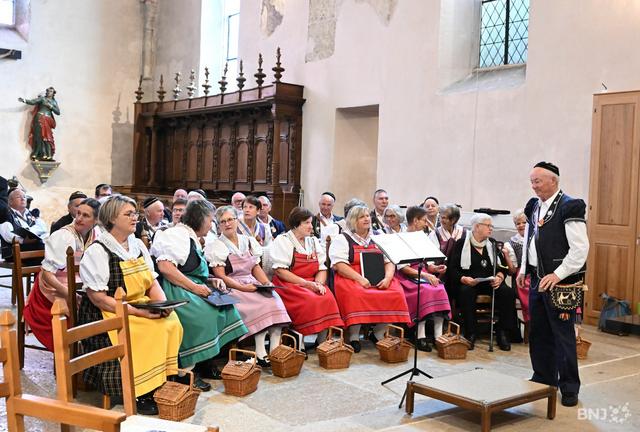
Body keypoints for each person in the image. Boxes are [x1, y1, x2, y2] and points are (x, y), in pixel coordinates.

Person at [78, 195, 183, 415]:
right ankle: (140, 390)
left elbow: (152, 282)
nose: (135, 217)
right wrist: (138, 313)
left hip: (140, 305)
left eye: (135, 213)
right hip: (107, 311)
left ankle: (162, 380)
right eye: (129, 214)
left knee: (171, 322)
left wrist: (162, 304)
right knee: (143, 331)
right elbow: (98, 297)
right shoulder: (98, 250)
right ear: (112, 218)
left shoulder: (136, 245)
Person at [151, 200, 247, 390]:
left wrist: (211, 280)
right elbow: (166, 268)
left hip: (191, 284)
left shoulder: (190, 236)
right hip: (175, 289)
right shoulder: (177, 235)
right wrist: (195, 289)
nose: (212, 225)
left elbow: (193, 269)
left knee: (227, 309)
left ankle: (205, 361)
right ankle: (184, 372)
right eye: (211, 221)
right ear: (201, 219)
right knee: (205, 316)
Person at [516, 162, 589, 407]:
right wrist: (524, 268)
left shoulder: (570, 205)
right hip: (537, 279)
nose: (533, 186)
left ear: (553, 181)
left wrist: (557, 275)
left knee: (563, 335)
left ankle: (569, 387)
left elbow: (580, 250)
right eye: (532, 181)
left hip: (561, 283)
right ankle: (544, 377)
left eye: (537, 181)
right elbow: (529, 237)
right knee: (538, 333)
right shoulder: (533, 205)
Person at [207, 206, 291, 366]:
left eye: (230, 219)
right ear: (218, 226)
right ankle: (260, 352)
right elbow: (220, 275)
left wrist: (266, 283)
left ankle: (274, 349)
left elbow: (255, 267)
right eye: (222, 222)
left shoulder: (248, 241)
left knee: (274, 300)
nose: (227, 224)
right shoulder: (217, 246)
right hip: (233, 286)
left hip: (252, 282)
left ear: (236, 220)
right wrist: (244, 288)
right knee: (257, 307)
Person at [329, 205, 410, 353]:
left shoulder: (377, 237)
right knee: (357, 294)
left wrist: (387, 278)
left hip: (378, 275)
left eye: (367, 215)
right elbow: (339, 265)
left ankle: (379, 331)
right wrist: (360, 279)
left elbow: (389, 260)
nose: (367, 218)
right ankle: (354, 336)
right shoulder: (343, 239)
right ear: (353, 221)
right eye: (362, 217)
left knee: (396, 292)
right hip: (351, 277)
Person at [23, 198, 101, 352]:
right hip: (52, 288)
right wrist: (69, 294)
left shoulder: (97, 235)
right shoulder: (63, 236)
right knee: (78, 309)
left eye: (85, 215)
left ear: (96, 220)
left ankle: (91, 356)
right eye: (78, 213)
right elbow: (46, 274)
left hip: (80, 284)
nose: (79, 218)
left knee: (100, 304)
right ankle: (68, 358)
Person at [270, 207, 344, 342]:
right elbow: (280, 271)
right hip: (289, 284)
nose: (311, 226)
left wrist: (318, 284)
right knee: (310, 300)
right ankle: (299, 339)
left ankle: (323, 340)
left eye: (311, 223)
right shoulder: (283, 240)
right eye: (307, 223)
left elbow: (322, 267)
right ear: (296, 224)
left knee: (327, 297)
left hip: (312, 281)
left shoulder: (313, 241)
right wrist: (306, 284)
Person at [449, 213, 516, 351]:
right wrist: (463, 278)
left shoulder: (491, 243)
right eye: (488, 226)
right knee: (466, 292)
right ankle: (471, 332)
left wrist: (499, 277)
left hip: (489, 282)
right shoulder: (461, 243)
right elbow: (452, 269)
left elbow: (502, 267)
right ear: (477, 226)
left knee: (507, 293)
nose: (491, 228)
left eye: (492, 226)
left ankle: (502, 332)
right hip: (469, 282)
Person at [395, 206, 450, 351]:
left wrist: (435, 269)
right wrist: (426, 274)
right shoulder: (400, 239)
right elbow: (403, 268)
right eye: (424, 220)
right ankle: (420, 336)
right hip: (405, 278)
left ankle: (438, 337)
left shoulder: (422, 238)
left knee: (440, 288)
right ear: (415, 220)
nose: (426, 224)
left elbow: (427, 263)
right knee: (424, 290)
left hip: (423, 274)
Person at [428, 203, 465, 308]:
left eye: (444, 218)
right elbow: (430, 256)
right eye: (440, 217)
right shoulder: (435, 234)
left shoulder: (464, 232)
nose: (441, 220)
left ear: (453, 220)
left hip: (460, 270)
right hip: (442, 271)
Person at [0, 188, 47, 262]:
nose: (23, 199)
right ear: (10, 202)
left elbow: (43, 228)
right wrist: (23, 241)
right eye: (18, 197)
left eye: (24, 197)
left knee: (48, 248)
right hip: (13, 251)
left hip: (32, 247)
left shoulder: (31, 214)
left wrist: (30, 232)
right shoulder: (6, 214)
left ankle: (42, 272)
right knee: (44, 251)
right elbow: (8, 235)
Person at [503, 209, 530, 326]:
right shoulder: (511, 244)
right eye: (518, 223)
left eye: (524, 222)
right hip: (521, 279)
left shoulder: (536, 238)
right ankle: (532, 320)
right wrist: (506, 256)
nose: (521, 225)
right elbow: (511, 271)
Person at [18, 87, 60, 161]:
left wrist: (50, 106)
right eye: (47, 91)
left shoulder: (54, 102)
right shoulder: (42, 99)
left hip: (48, 120)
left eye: (51, 91)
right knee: (39, 136)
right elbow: (32, 102)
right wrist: (24, 100)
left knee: (48, 137)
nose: (48, 92)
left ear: (53, 93)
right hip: (39, 118)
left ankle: (48, 154)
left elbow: (58, 112)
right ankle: (37, 153)